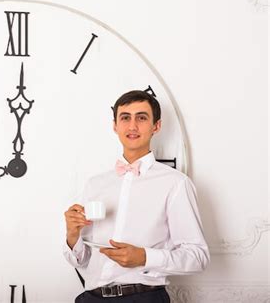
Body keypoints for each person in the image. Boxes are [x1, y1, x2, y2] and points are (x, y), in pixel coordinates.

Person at [63, 90, 210, 303]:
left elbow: (198, 257)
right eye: (125, 118)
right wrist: (72, 235)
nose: (132, 126)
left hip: (144, 298)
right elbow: (81, 259)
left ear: (156, 126)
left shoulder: (176, 184)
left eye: (141, 118)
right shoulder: (95, 184)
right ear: (115, 126)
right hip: (90, 298)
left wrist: (144, 257)